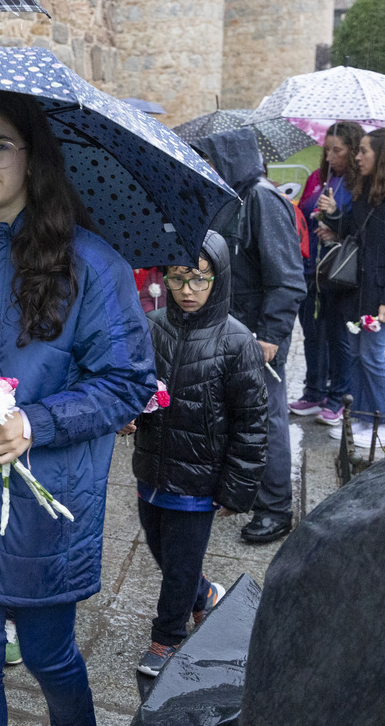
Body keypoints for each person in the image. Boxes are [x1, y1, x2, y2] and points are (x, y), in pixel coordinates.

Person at [0, 90, 155, 725]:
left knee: (48, 654)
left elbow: (127, 381)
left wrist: (33, 423)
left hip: (43, 504)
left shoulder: (91, 266)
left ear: (32, 158)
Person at [121, 232, 268, 677]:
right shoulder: (153, 326)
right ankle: (203, 596)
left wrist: (236, 488)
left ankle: (167, 637)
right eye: (179, 278)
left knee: (180, 563)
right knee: (159, 546)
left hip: (200, 480)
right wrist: (128, 413)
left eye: (200, 280)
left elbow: (252, 421)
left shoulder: (236, 341)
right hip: (153, 464)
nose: (187, 291)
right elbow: (134, 385)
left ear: (218, 279)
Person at [189, 129, 304, 544]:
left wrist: (271, 335)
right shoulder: (231, 198)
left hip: (257, 334)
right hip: (229, 329)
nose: (206, 167)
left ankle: (276, 508)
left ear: (231, 158)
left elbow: (288, 279)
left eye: (211, 159)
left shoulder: (261, 198)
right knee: (236, 418)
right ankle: (245, 492)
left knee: (267, 418)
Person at [318, 128, 385, 450]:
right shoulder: (366, 191)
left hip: (382, 296)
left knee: (373, 355)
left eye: (363, 151)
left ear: (384, 155)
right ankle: (365, 417)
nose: (357, 156)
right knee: (360, 357)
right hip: (358, 291)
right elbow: (353, 232)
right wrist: (334, 214)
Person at [289, 121, 363, 426]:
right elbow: (303, 213)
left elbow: (359, 228)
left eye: (338, 150)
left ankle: (338, 396)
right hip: (310, 269)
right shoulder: (318, 178)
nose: (331, 156)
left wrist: (334, 215)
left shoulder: (360, 185)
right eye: (327, 149)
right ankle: (314, 390)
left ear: (353, 150)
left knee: (338, 337)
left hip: (338, 273)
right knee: (312, 334)